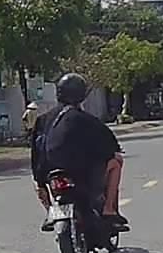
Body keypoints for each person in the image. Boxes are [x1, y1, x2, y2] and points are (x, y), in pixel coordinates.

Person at [31, 73, 128, 231]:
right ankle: (109, 209)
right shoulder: (85, 119)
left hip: (49, 171)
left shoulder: (43, 120)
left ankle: (50, 211)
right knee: (116, 162)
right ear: (82, 94)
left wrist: (39, 177)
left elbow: (35, 150)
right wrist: (112, 152)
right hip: (81, 172)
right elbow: (108, 143)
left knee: (37, 183)